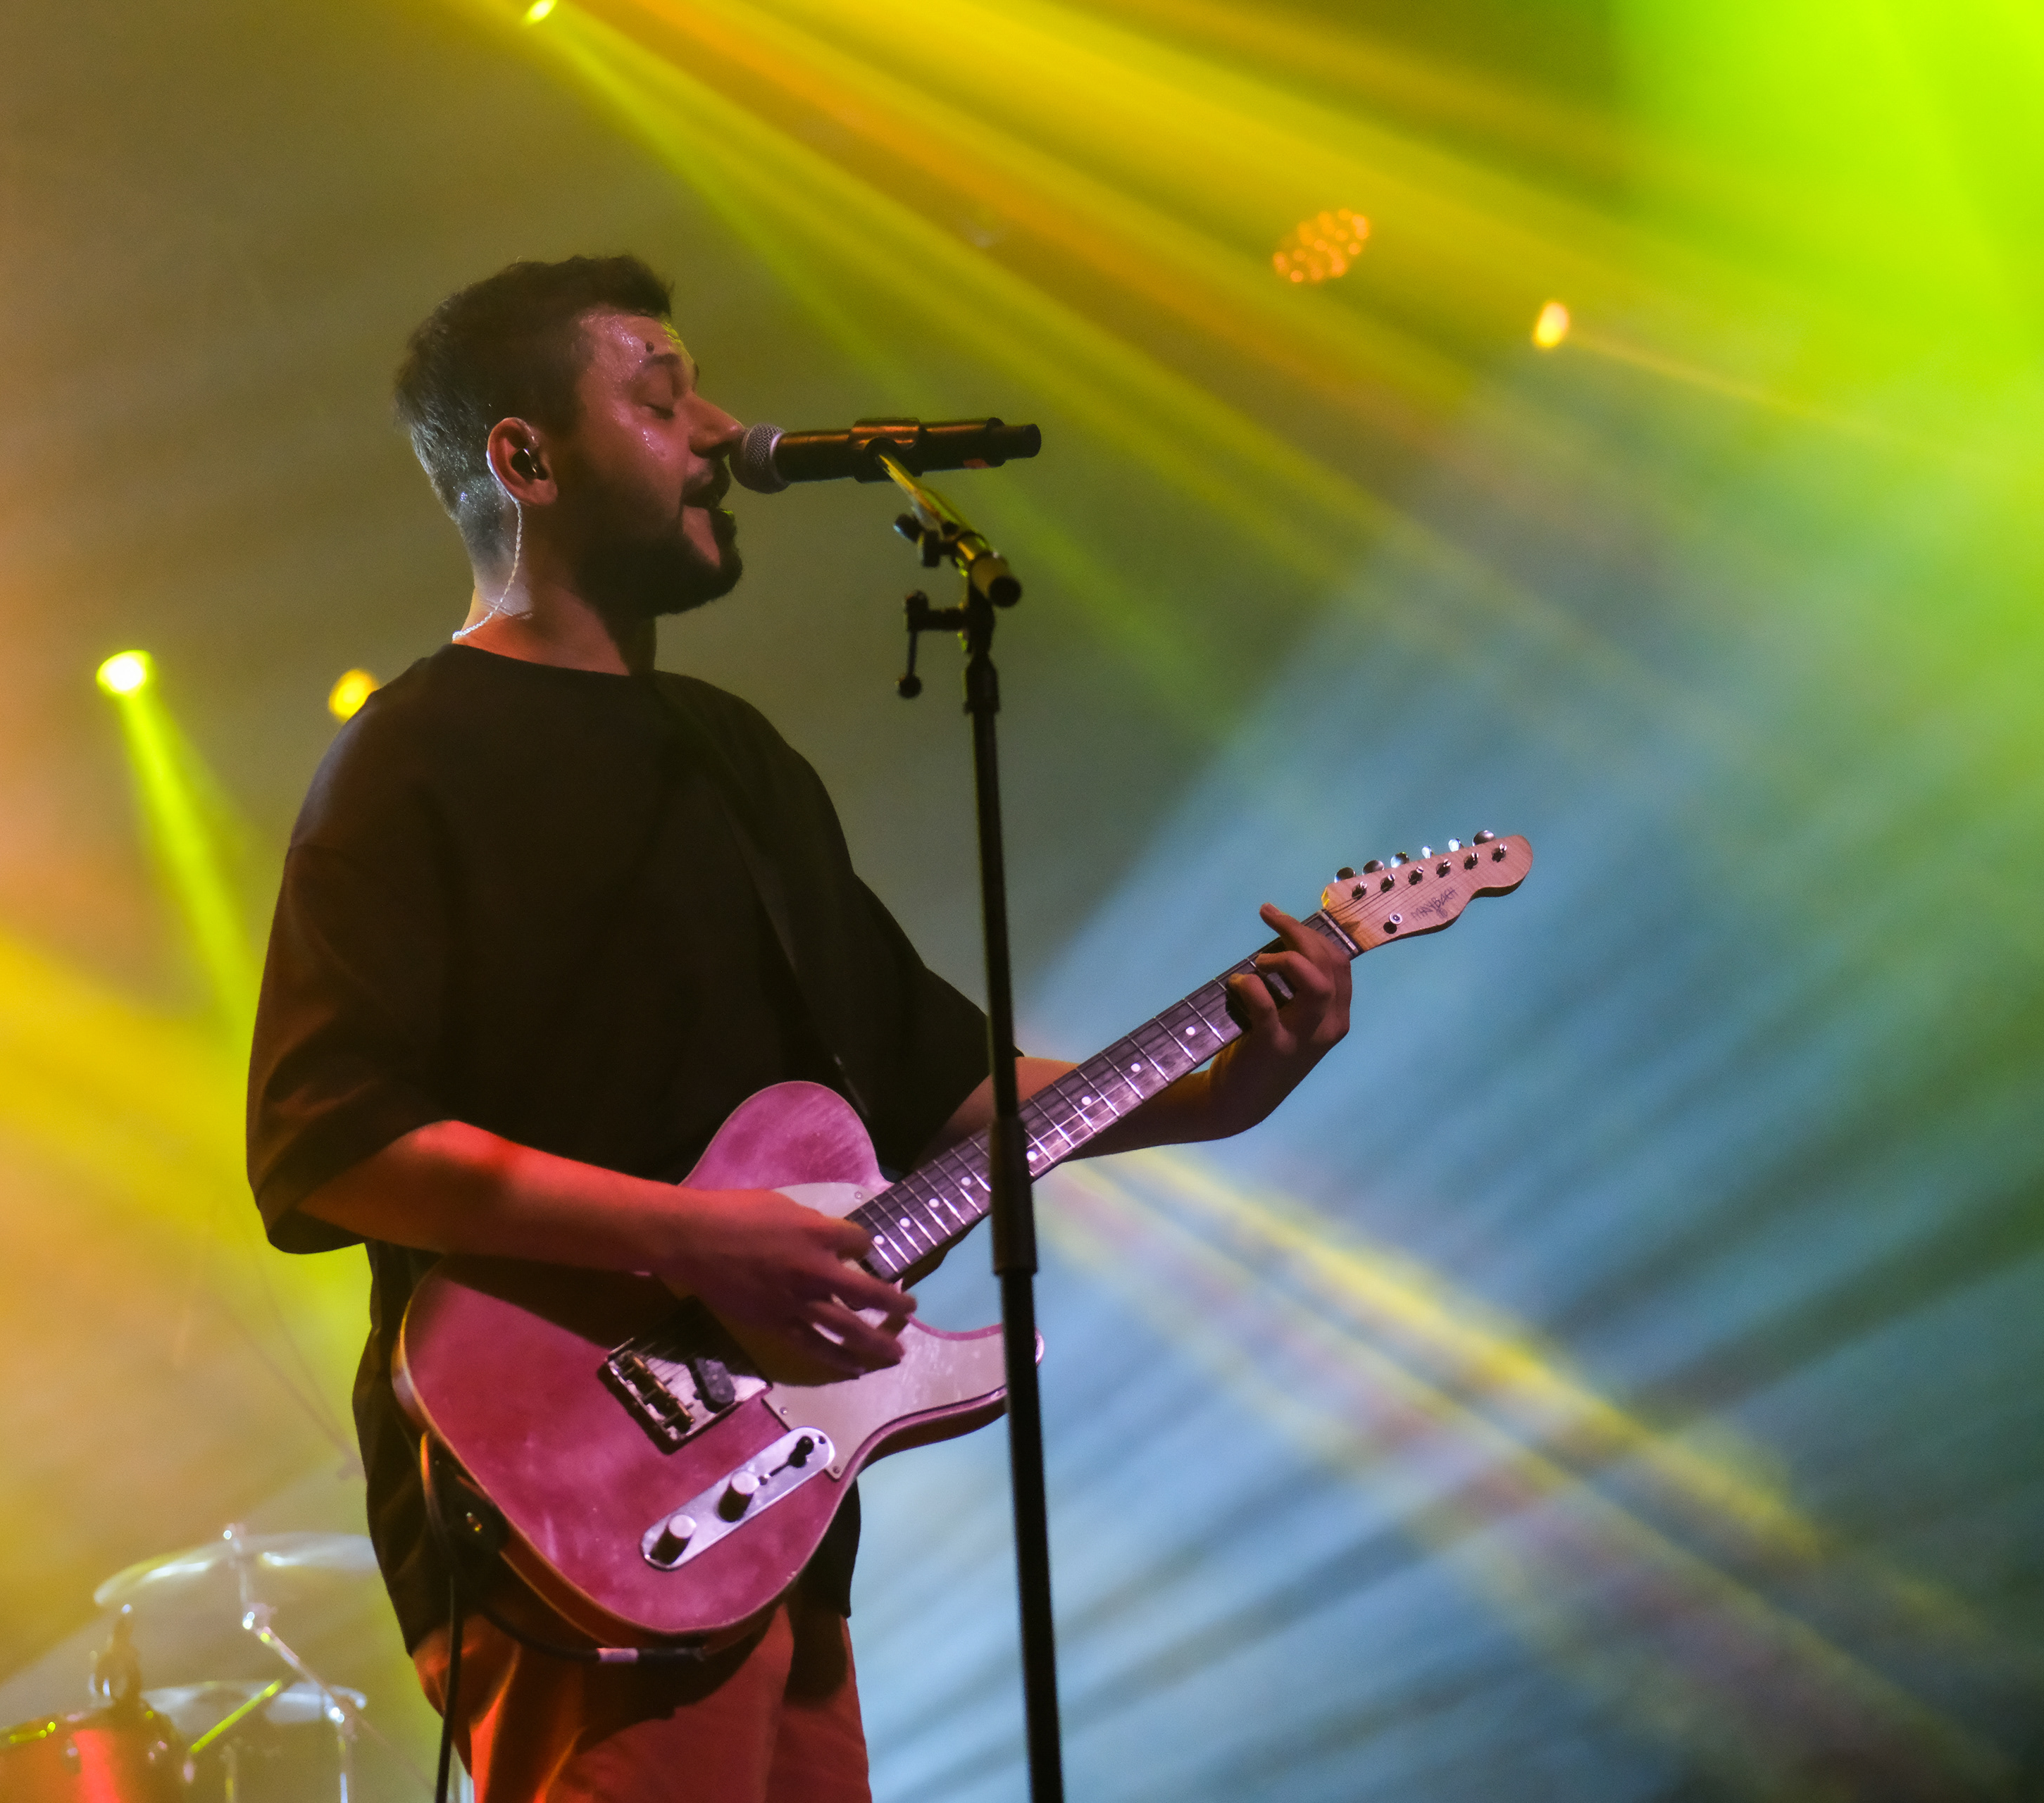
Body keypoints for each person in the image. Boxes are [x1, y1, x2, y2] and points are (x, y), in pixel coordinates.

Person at [247, 255, 1353, 1802]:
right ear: (526, 457)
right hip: (570, 1501)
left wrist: (1218, 1092)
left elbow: (935, 1084)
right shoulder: (409, 758)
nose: (722, 431)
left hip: (769, 1501)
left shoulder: (733, 754)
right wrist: (697, 1240)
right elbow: (326, 1140)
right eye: (662, 399)